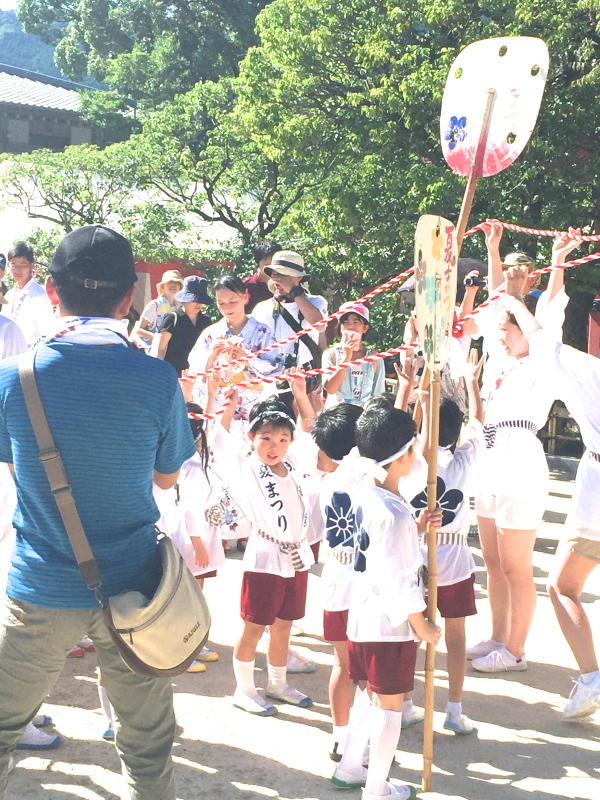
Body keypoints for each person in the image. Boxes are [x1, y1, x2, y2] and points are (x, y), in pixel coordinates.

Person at [0, 224, 196, 800]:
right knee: (147, 741)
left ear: (52, 292)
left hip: (40, 586)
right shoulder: (158, 379)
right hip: (137, 591)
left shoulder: (13, 379)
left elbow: (17, 469)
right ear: (129, 298)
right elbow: (165, 477)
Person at [331, 398, 441, 800]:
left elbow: (384, 548)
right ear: (402, 457)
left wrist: (415, 524)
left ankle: (349, 767)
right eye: (414, 447)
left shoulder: (371, 496)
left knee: (369, 696)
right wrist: (420, 624)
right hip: (388, 625)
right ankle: (376, 789)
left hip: (362, 617)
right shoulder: (392, 514)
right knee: (390, 707)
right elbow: (399, 580)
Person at [505, 263, 600, 719]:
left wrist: (512, 299)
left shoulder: (589, 373)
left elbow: (544, 340)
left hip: (597, 493)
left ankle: (592, 678)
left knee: (563, 586)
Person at [215, 392, 316, 716]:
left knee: (284, 624)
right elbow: (220, 434)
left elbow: (310, 428)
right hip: (264, 559)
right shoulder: (248, 468)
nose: (274, 446)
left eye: (283, 439)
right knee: (254, 625)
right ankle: (243, 689)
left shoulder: (295, 465)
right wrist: (226, 398)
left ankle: (277, 682)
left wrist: (300, 395)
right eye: (267, 438)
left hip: (295, 557)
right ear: (252, 438)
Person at [405, 350, 484, 734]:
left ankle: (403, 701)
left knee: (412, 633)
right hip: (453, 555)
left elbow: (414, 437)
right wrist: (471, 381)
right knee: (455, 635)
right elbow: (478, 423)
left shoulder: (410, 465)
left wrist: (420, 398)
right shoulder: (466, 460)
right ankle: (454, 708)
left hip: (416, 554)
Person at [313, 403, 364, 762]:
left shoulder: (327, 482)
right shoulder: (371, 477)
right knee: (366, 673)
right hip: (363, 581)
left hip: (334, 579)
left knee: (342, 665)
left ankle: (339, 737)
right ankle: (363, 742)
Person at [189, 274, 281, 440]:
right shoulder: (211, 333)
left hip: (252, 403)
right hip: (218, 403)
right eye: (221, 303)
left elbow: (275, 368)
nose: (227, 307)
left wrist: (248, 359)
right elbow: (195, 368)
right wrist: (211, 356)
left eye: (233, 301)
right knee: (219, 449)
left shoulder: (262, 332)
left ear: (245, 297)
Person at [252, 250, 327, 369]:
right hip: (273, 379)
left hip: (305, 377)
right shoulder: (261, 309)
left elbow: (319, 325)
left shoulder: (316, 302)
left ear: (298, 277)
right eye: (274, 273)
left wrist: (294, 292)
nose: (278, 279)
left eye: (283, 274)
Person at [322, 303, 385, 407]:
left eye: (356, 322)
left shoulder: (374, 357)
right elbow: (330, 389)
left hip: (364, 416)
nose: (350, 327)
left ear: (365, 328)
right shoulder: (330, 354)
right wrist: (346, 358)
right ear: (340, 328)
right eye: (345, 322)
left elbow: (379, 394)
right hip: (338, 415)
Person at [154, 275, 212, 376]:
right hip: (173, 374)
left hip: (198, 374)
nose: (198, 304)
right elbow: (160, 350)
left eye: (201, 301)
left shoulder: (206, 321)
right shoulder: (172, 318)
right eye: (194, 300)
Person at [4, 242, 54, 346]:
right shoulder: (9, 294)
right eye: (13, 264)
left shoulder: (39, 295)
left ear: (32, 266)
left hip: (28, 355)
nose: (17, 270)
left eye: (23, 264)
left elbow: (46, 334)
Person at [132, 269, 183, 349]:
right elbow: (138, 330)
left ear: (180, 287)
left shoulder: (181, 307)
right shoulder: (155, 305)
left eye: (177, 283)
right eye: (170, 282)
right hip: (153, 350)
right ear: (163, 286)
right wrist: (157, 338)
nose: (173, 285)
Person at [243, 241, 282, 313]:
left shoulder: (287, 284)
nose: (272, 267)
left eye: (275, 263)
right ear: (257, 263)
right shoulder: (245, 287)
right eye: (267, 264)